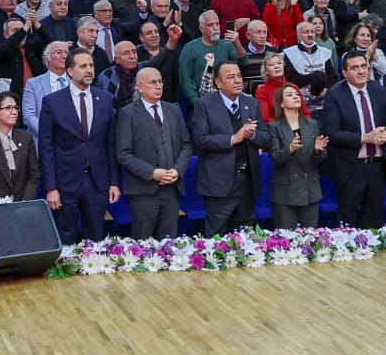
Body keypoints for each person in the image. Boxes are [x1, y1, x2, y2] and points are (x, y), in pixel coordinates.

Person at [38, 50, 119, 243]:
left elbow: (110, 144)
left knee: (96, 236)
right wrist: (50, 188)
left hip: (97, 181)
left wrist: (114, 182)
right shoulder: (52, 102)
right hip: (65, 181)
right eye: (83, 66)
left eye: (91, 65)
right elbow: (46, 148)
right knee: (65, 236)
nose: (89, 70)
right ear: (69, 71)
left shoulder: (105, 99)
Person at [320, 51, 386, 228]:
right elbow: (332, 132)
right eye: (355, 68)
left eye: (364, 66)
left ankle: (373, 254)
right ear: (345, 73)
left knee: (374, 219)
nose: (361, 71)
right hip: (350, 167)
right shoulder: (335, 94)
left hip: (377, 165)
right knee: (347, 219)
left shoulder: (378, 89)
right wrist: (365, 138)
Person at [113, 67, 189, 238]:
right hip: (144, 191)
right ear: (139, 87)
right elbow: (123, 153)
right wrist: (152, 173)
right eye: (152, 82)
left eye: (160, 81)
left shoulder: (174, 110)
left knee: (169, 244)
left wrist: (177, 170)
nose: (158, 86)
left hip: (171, 189)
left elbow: (186, 145)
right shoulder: (128, 113)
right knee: (143, 244)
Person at [191, 59, 263, 234]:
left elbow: (267, 137)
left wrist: (252, 134)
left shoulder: (251, 103)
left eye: (239, 76)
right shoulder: (204, 104)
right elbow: (200, 140)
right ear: (218, 82)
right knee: (217, 236)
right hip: (219, 183)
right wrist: (233, 138)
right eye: (231, 77)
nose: (238, 80)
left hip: (247, 182)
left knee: (247, 237)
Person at [258, 80, 326, 229]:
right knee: (286, 242)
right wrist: (289, 149)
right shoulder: (273, 127)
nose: (296, 96)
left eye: (297, 94)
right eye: (290, 95)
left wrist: (318, 150)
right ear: (281, 103)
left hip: (310, 189)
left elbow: (322, 156)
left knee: (311, 239)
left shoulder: (312, 124)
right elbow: (275, 157)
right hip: (285, 192)